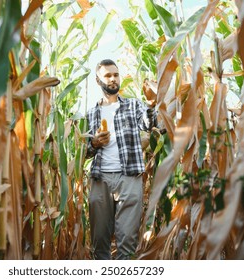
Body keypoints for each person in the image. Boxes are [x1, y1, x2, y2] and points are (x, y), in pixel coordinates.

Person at [86, 59, 158, 260]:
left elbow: (148, 124)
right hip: (101, 178)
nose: (113, 79)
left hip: (129, 177)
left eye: (115, 75)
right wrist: (94, 144)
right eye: (108, 75)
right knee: (99, 239)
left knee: (127, 240)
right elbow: (84, 152)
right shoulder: (92, 113)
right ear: (98, 79)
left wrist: (151, 105)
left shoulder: (134, 105)